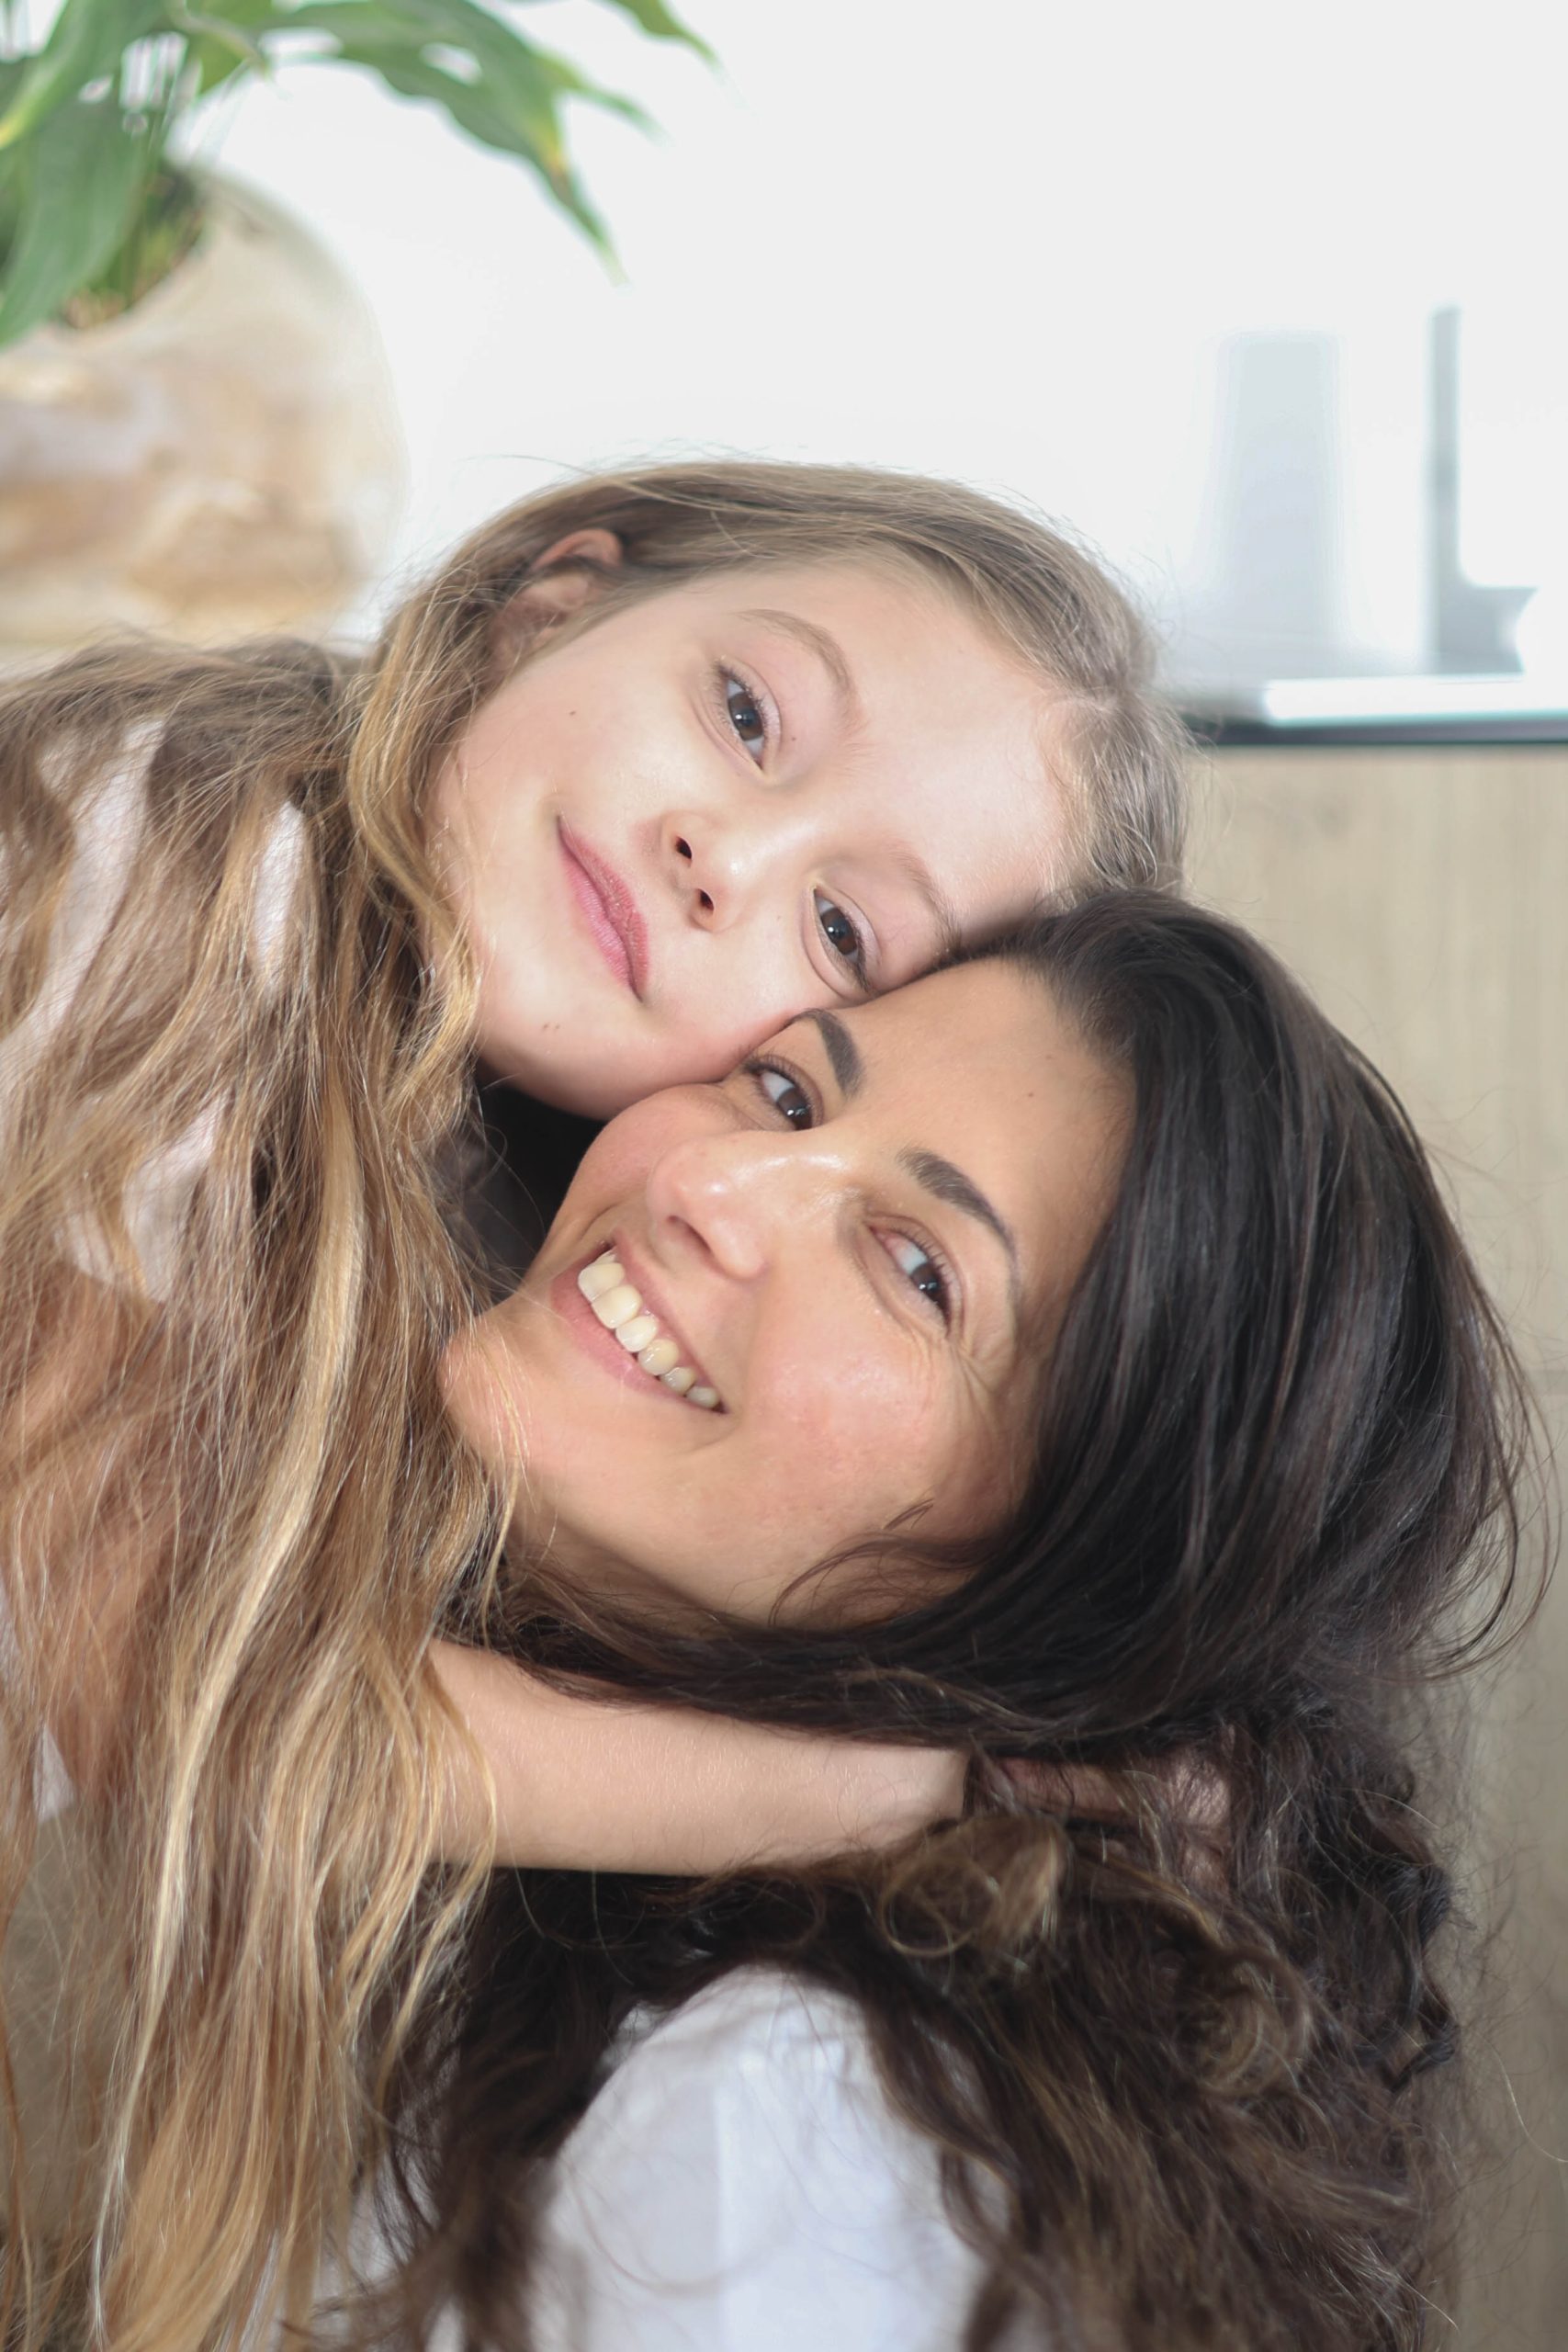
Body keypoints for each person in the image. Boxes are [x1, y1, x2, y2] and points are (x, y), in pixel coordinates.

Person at [0, 462, 1187, 2346]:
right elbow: (191, 1708)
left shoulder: (483, 1208)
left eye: (842, 932)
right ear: (551, 602)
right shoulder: (176, 847)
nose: (727, 857)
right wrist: (908, 1792)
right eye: (747, 714)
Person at [343, 895, 1534, 2352]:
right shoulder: (591, 1929)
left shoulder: (797, 2139)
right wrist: (905, 1785)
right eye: (786, 1091)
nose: (710, 1182)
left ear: (1066, 1595)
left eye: (919, 1272)